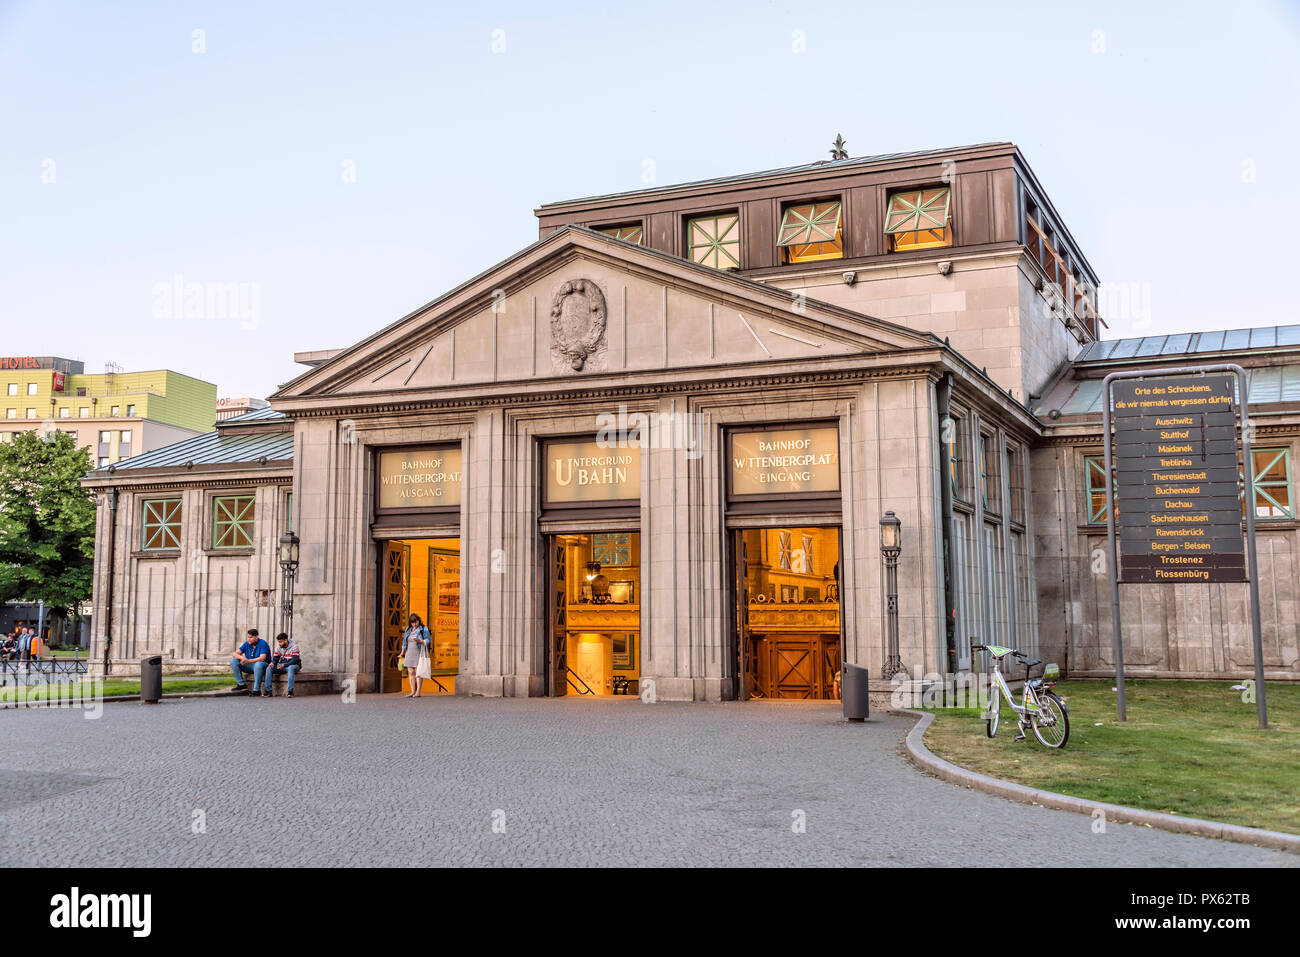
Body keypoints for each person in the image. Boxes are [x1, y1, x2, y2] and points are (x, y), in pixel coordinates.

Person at [229, 628, 270, 695]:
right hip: (250, 666)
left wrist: (248, 661)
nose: (249, 639)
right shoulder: (247, 643)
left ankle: (256, 690)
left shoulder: (263, 643)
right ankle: (241, 684)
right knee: (233, 661)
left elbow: (262, 658)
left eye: (251, 637)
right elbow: (234, 654)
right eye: (248, 637)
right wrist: (242, 658)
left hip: (263, 666)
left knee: (258, 664)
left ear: (256, 637)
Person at [401, 614, 431, 698]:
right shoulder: (408, 629)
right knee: (411, 672)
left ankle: (418, 692)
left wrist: (420, 641)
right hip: (409, 652)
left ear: (419, 620)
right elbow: (404, 642)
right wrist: (402, 652)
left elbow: (428, 640)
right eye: (412, 622)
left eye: (416, 622)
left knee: (418, 672)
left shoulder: (423, 629)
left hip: (418, 652)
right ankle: (412, 691)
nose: (414, 624)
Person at [263, 632, 302, 698]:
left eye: (280, 642)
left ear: (286, 640)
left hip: (294, 665)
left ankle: (290, 691)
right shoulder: (278, 648)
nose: (279, 644)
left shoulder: (294, 647)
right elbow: (275, 659)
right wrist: (273, 663)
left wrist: (284, 665)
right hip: (282, 665)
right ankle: (268, 691)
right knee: (269, 668)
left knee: (291, 668)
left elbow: (295, 660)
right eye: (278, 642)